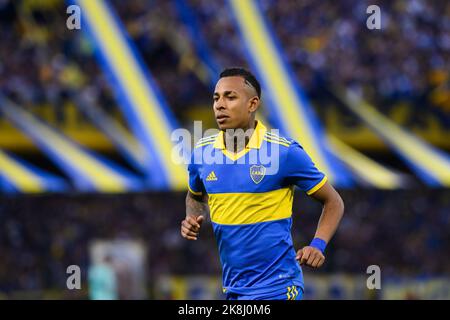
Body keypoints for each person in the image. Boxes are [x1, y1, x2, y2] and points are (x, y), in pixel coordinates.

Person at [181, 67, 344, 300]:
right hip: (234, 289)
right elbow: (194, 196)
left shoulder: (283, 152)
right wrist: (192, 218)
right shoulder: (202, 154)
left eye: (230, 97)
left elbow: (333, 201)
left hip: (278, 287)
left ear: (252, 104)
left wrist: (317, 245)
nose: (219, 105)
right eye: (216, 98)